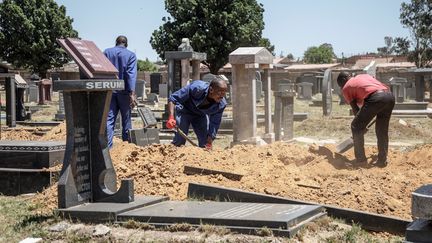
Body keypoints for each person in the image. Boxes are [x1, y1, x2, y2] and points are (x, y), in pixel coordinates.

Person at [337, 72, 395, 167]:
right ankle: (382, 160)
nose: (342, 88)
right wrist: (362, 123)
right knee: (381, 131)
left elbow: (356, 110)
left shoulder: (346, 87)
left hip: (376, 98)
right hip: (389, 96)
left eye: (340, 85)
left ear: (344, 80)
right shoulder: (363, 76)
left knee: (355, 126)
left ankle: (361, 161)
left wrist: (361, 126)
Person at [166, 76, 228, 149]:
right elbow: (173, 99)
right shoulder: (197, 88)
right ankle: (172, 155)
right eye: (219, 92)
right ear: (211, 90)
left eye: (224, 93)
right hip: (184, 112)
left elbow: (215, 123)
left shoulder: (221, 104)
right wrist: (171, 118)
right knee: (180, 140)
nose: (222, 96)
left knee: (205, 143)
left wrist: (209, 141)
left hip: (200, 116)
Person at [104, 35, 137, 148]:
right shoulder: (130, 55)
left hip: (109, 91)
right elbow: (130, 75)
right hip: (124, 92)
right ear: (126, 44)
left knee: (109, 120)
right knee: (126, 120)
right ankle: (125, 147)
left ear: (116, 43)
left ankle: (108, 148)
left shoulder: (107, 52)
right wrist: (132, 94)